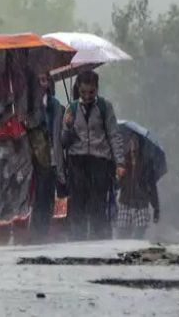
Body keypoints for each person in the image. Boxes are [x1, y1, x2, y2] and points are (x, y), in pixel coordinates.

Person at [61, 71, 124, 241]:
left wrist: (120, 163)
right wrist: (67, 126)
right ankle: (77, 240)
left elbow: (114, 135)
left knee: (98, 202)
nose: (87, 96)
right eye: (83, 93)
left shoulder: (105, 107)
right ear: (78, 90)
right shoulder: (71, 109)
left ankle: (98, 240)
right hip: (77, 161)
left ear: (97, 89)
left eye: (91, 92)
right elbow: (63, 141)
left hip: (100, 160)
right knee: (77, 203)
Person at [0, 53, 35, 246]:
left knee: (22, 191)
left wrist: (27, 120)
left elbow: (37, 113)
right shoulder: (0, 83)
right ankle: (2, 240)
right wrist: (5, 103)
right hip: (5, 144)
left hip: (23, 144)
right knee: (3, 191)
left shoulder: (30, 83)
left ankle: (21, 241)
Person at [30, 73, 65, 242]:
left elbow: (59, 135)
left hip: (52, 156)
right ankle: (36, 232)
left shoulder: (56, 106)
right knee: (38, 195)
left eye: (44, 80)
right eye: (39, 80)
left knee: (49, 195)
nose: (42, 84)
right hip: (35, 157)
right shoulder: (29, 106)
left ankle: (42, 232)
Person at [114, 132, 160, 240]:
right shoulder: (124, 161)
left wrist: (156, 208)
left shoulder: (146, 162)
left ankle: (134, 249)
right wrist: (118, 177)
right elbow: (117, 186)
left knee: (139, 232)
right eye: (131, 141)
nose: (133, 145)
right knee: (122, 233)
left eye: (136, 141)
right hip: (126, 201)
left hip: (141, 202)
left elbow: (152, 186)